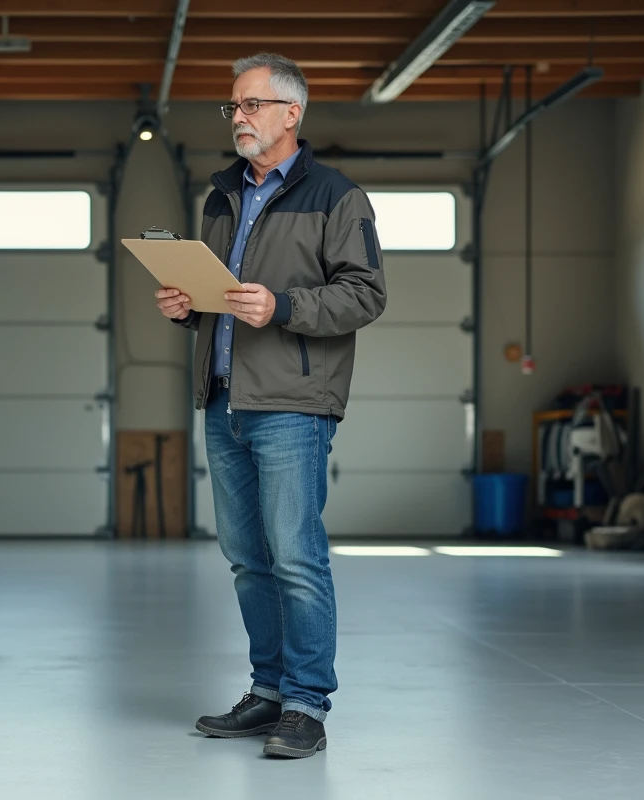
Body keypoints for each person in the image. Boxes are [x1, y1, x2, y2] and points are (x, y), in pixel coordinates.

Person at [156, 52, 387, 759]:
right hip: (224, 398)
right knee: (247, 559)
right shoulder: (222, 195)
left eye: (251, 104)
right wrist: (187, 307)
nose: (238, 117)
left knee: (295, 556)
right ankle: (267, 691)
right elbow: (221, 300)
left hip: (293, 403)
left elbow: (365, 294)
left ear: (293, 112)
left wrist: (283, 306)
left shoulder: (337, 196)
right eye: (233, 106)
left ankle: (306, 705)